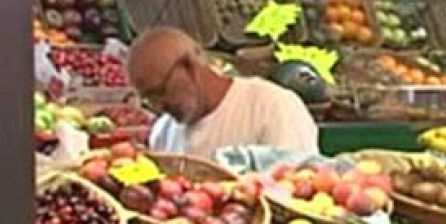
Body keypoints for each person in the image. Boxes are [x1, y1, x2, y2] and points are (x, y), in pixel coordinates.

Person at [126, 26, 319, 158]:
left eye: (161, 91)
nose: (158, 106)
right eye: (149, 98)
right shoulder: (163, 133)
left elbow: (297, 187)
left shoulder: (272, 108)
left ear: (191, 65)